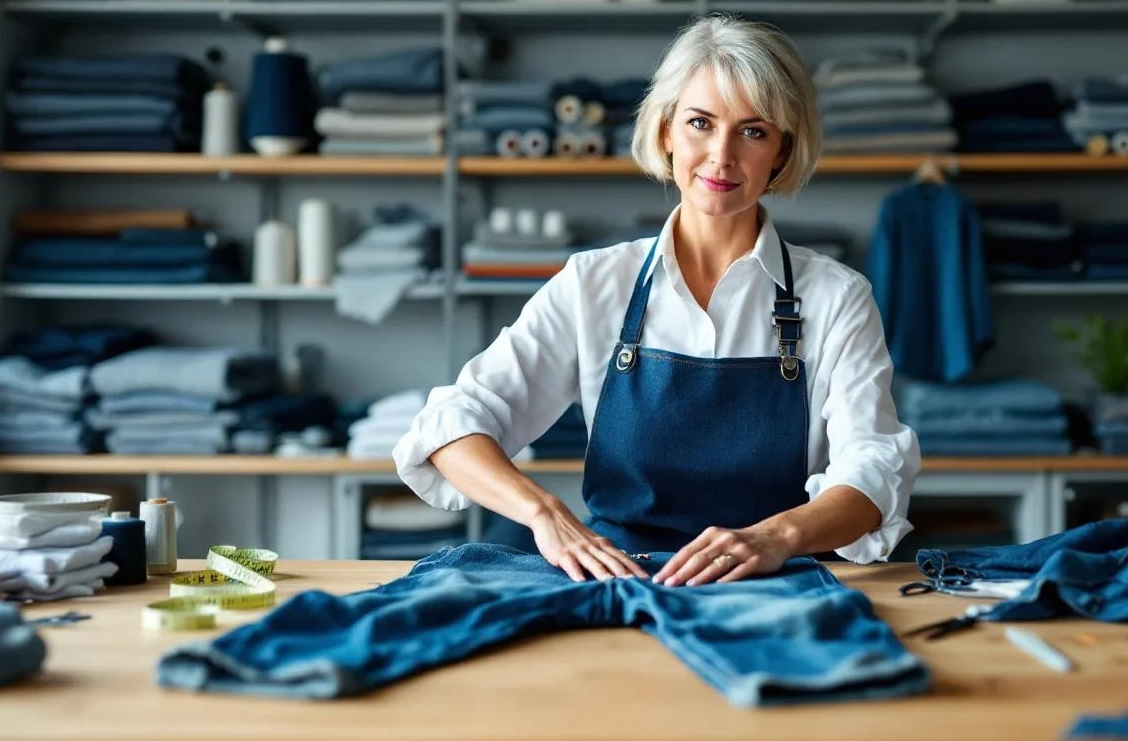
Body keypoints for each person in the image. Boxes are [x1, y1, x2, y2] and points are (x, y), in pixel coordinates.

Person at [394, 13, 920, 587]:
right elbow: (452, 422)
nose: (721, 155)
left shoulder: (837, 297)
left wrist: (778, 537)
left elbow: (873, 469)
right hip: (615, 587)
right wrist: (545, 516)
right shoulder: (593, 284)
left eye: (753, 131)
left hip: (775, 591)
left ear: (782, 153)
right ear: (667, 131)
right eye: (700, 123)